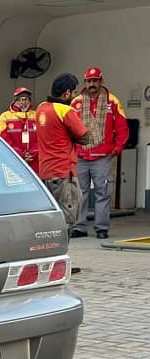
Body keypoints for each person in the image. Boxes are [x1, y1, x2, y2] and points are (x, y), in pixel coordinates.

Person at [36, 73, 90, 273]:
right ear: (67, 92)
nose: (74, 95)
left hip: (45, 172)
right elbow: (85, 137)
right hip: (63, 171)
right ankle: (58, 263)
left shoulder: (41, 108)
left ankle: (49, 261)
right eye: (74, 92)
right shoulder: (65, 111)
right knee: (67, 218)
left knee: (51, 218)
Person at [69, 67, 129, 240]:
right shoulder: (76, 102)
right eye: (89, 81)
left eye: (95, 80)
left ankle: (101, 228)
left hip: (102, 157)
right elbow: (69, 128)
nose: (92, 84)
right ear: (85, 82)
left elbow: (122, 128)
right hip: (81, 156)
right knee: (80, 192)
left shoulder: (113, 101)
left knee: (103, 193)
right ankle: (79, 227)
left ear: (101, 81)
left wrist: (118, 148)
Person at [0, 87, 40, 174]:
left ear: (30, 101)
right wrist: (20, 154)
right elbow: (4, 141)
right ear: (15, 101)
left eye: (26, 99)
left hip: (35, 163)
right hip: (13, 161)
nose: (23, 102)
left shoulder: (37, 115)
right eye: (20, 100)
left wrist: (33, 153)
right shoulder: (5, 117)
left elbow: (43, 138)